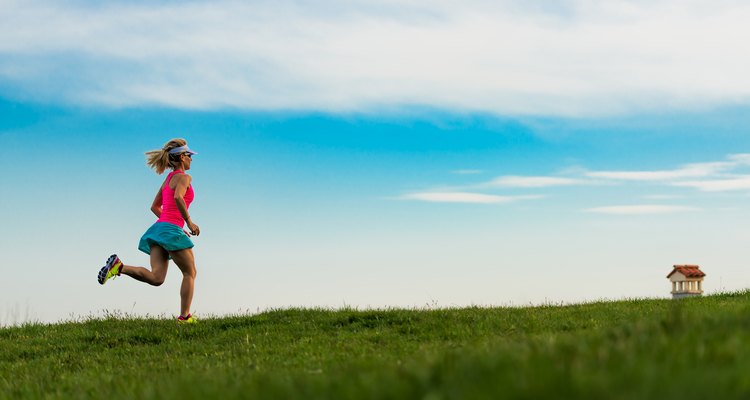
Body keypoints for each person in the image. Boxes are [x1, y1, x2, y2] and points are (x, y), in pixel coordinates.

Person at [97, 138, 201, 324]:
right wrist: (188, 222)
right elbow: (178, 197)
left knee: (157, 278)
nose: (192, 159)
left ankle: (118, 267)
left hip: (159, 229)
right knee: (190, 273)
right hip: (169, 230)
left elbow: (154, 207)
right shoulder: (185, 178)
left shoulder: (167, 180)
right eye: (190, 155)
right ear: (181, 157)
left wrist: (173, 226)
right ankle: (185, 318)